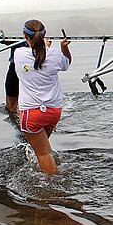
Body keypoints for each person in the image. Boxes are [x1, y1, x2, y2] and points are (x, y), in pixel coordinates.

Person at [14, 19, 71, 176]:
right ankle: (47, 171)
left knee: (43, 153)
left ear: (26, 37)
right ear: (45, 35)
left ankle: (52, 184)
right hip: (53, 112)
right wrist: (63, 48)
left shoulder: (18, 54)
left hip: (31, 114)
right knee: (44, 149)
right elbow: (66, 64)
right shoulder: (55, 55)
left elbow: (34, 56)